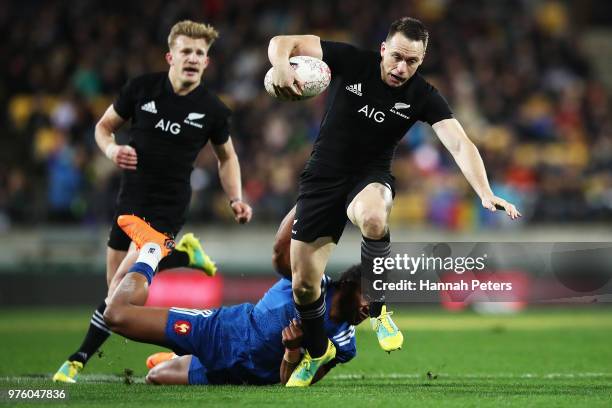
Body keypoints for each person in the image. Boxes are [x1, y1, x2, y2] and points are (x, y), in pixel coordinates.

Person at [267, 16, 521, 386]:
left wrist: (485, 191)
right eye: (397, 57)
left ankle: (380, 309)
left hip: (370, 176)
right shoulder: (351, 61)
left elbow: (460, 143)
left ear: (422, 61)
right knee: (303, 285)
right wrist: (279, 68)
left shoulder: (423, 96)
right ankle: (319, 350)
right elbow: (281, 41)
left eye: (412, 62)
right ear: (383, 49)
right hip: (322, 178)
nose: (402, 68)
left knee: (373, 216)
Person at [53, 20, 253, 383]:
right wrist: (112, 150)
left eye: (200, 53)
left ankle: (78, 358)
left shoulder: (212, 109)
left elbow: (228, 158)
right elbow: (102, 127)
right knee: (114, 291)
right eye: (186, 51)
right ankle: (183, 256)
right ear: (170, 56)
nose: (193, 58)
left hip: (167, 208)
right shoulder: (141, 89)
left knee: (120, 295)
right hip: (129, 202)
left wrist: (236, 198)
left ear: (207, 62)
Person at [103, 214, 367, 385]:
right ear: (347, 285)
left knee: (154, 377)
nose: (369, 307)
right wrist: (307, 201)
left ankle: (175, 356)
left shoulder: (345, 345)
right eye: (367, 295)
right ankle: (152, 249)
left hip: (235, 374)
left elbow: (294, 382)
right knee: (116, 316)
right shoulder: (311, 283)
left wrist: (292, 350)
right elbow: (280, 254)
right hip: (221, 332)